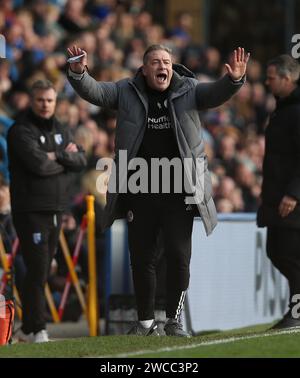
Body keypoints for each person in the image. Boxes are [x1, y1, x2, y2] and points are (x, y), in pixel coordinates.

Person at [67, 44, 249, 337]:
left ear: (171, 66)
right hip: (140, 187)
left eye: (166, 61)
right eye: (155, 62)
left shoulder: (188, 88)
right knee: (142, 257)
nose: (162, 66)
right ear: (144, 68)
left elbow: (214, 94)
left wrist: (233, 80)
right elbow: (97, 93)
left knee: (178, 255)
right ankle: (146, 323)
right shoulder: (127, 90)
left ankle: (174, 321)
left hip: (180, 189)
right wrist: (79, 73)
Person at [7, 80, 87, 342]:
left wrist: (56, 157)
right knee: (39, 267)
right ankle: (39, 328)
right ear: (32, 100)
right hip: (30, 209)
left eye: (50, 100)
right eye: (41, 100)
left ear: (55, 102)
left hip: (55, 208)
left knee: (42, 268)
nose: (45, 105)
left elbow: (81, 160)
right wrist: (63, 157)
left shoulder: (61, 129)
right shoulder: (21, 130)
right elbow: (38, 166)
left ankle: (30, 328)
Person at [257, 55, 300, 329]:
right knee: (279, 251)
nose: (267, 81)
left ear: (287, 78)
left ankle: (296, 312)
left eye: (271, 77)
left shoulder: (296, 110)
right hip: (279, 195)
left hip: (290, 199)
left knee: (286, 253)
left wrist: (294, 193)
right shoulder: (283, 108)